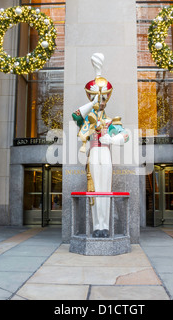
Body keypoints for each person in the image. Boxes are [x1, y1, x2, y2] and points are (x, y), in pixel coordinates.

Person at [72, 53, 129, 238]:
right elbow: (75, 115)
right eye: (98, 99)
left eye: (103, 99)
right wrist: (92, 102)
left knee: (105, 189)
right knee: (95, 190)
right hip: (94, 154)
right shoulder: (87, 121)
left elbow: (126, 135)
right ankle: (97, 227)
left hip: (106, 154)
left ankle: (105, 225)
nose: (101, 103)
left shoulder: (111, 121)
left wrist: (112, 140)